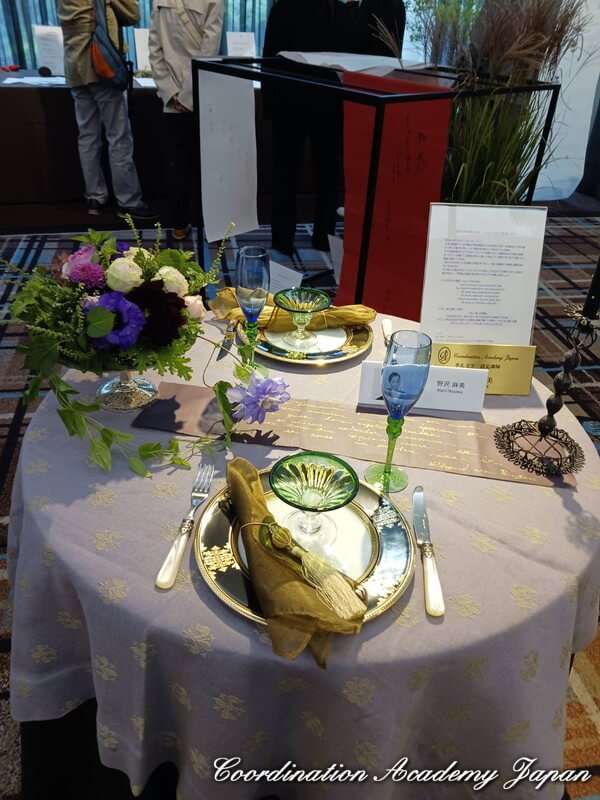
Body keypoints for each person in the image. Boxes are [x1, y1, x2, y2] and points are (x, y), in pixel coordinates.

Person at [262, 0, 406, 255]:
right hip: (313, 100)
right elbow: (272, 55)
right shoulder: (334, 10)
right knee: (313, 171)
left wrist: (270, 105)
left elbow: (270, 57)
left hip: (307, 100)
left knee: (307, 171)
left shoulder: (305, 8)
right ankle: (313, 236)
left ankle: (298, 238)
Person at [57, 0, 158, 220]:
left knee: (87, 137)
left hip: (75, 67)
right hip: (102, 66)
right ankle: (128, 201)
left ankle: (95, 197)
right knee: (118, 138)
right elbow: (132, 14)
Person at [149, 0, 224, 239]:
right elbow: (209, 51)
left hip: (173, 99)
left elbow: (154, 49)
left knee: (178, 163)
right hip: (201, 94)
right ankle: (209, 225)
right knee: (207, 163)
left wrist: (171, 93)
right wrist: (189, 97)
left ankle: (179, 225)